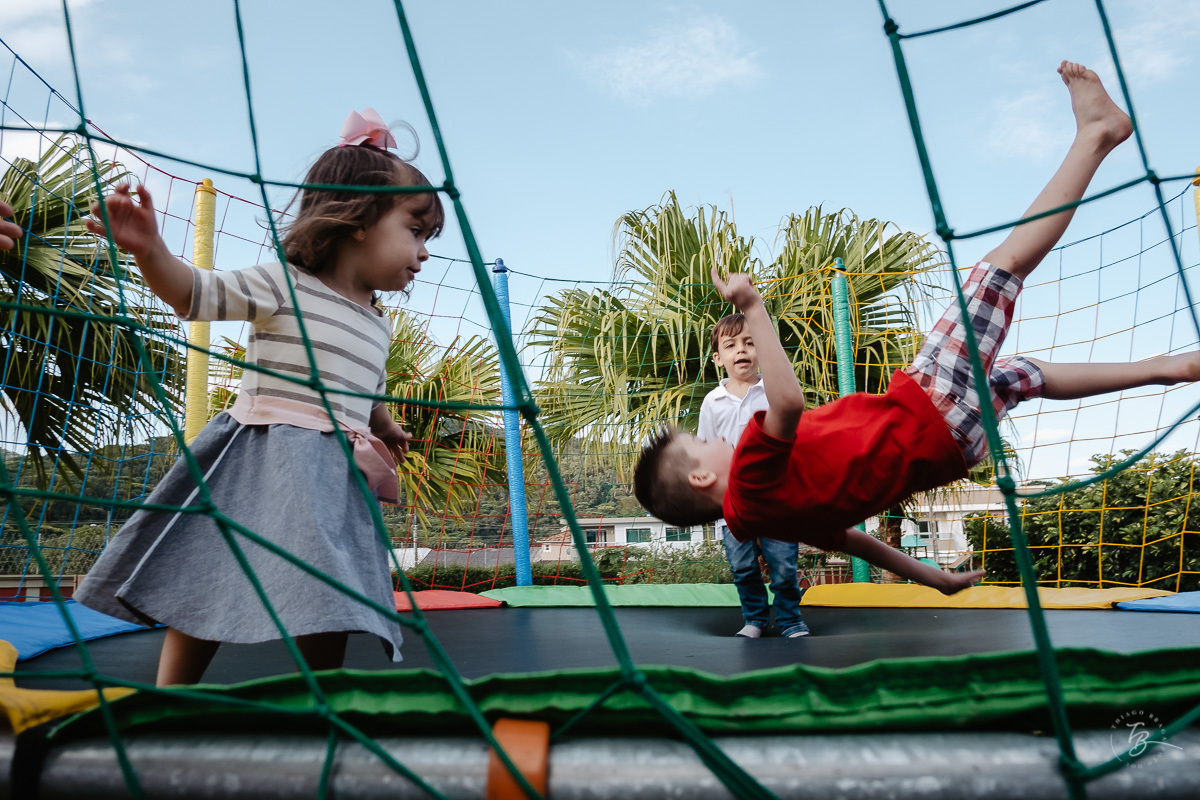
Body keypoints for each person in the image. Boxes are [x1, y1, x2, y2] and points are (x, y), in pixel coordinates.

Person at [635, 62, 1196, 600]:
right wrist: (754, 307)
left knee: (1024, 377)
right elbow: (787, 402)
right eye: (706, 442)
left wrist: (934, 578)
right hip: (926, 405)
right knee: (998, 270)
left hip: (954, 448)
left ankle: (1165, 370)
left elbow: (853, 540)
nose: (720, 437)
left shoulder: (764, 514)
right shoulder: (751, 475)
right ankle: (1097, 136)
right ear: (707, 476)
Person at [75, 108, 441, 685]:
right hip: (264, 457)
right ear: (360, 219)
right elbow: (196, 293)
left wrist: (385, 423)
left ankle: (320, 695)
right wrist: (150, 251)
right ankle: (173, 693)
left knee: (333, 587)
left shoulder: (377, 320)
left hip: (334, 473)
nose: (423, 253)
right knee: (210, 569)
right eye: (415, 233)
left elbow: (365, 385)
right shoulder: (283, 283)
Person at [698, 313, 807, 639]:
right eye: (731, 345)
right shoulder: (712, 402)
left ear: (760, 349)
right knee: (743, 566)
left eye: (749, 343)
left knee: (784, 566)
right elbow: (706, 450)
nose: (741, 350)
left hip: (776, 496)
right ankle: (755, 620)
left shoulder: (773, 391)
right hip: (733, 502)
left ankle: (790, 621)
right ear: (719, 358)